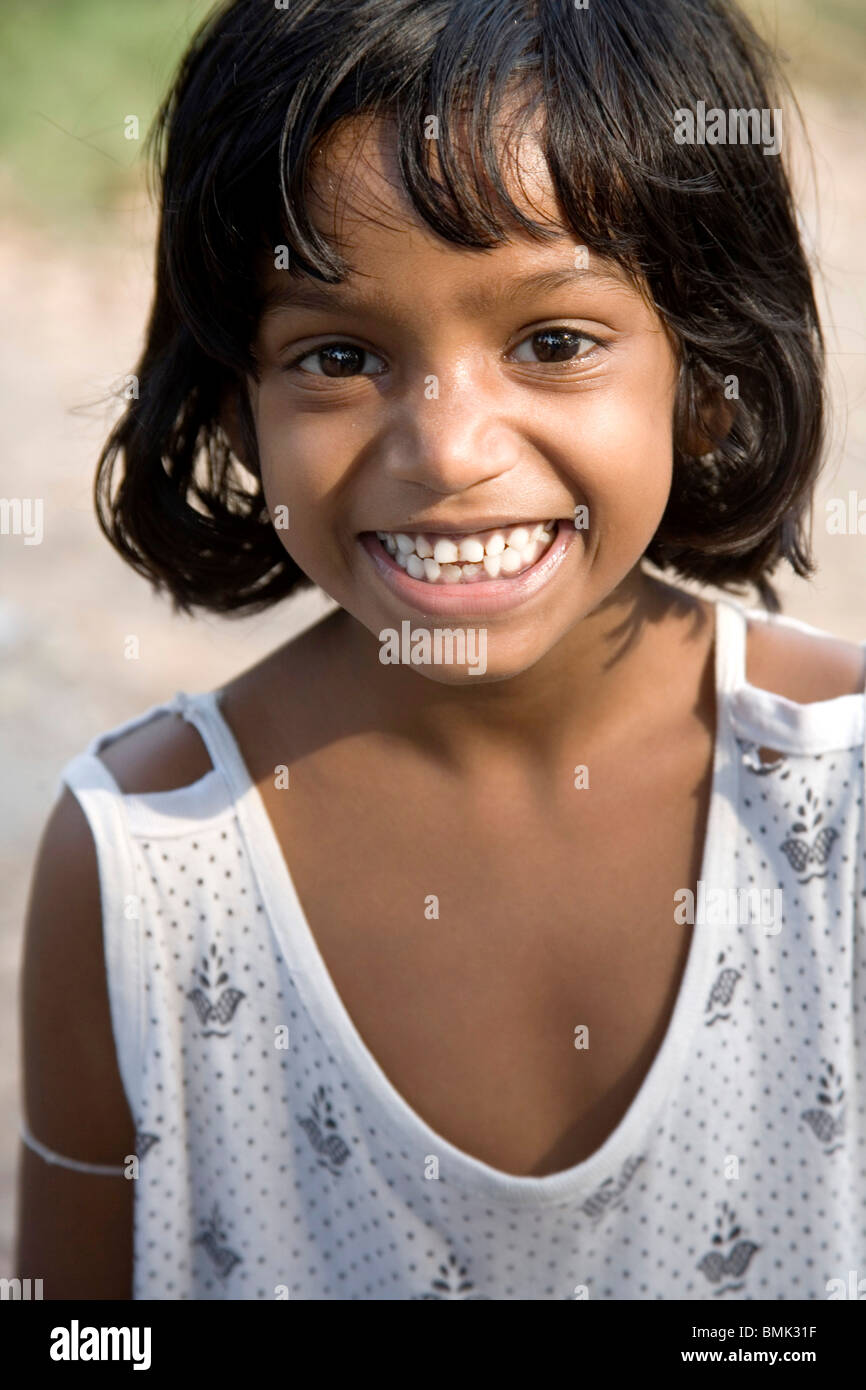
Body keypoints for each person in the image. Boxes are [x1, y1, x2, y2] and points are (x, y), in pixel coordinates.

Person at [15, 0, 866, 1300]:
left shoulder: (844, 806)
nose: (448, 448)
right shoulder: (141, 865)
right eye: (339, 355)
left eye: (552, 341)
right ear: (235, 406)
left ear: (704, 377)